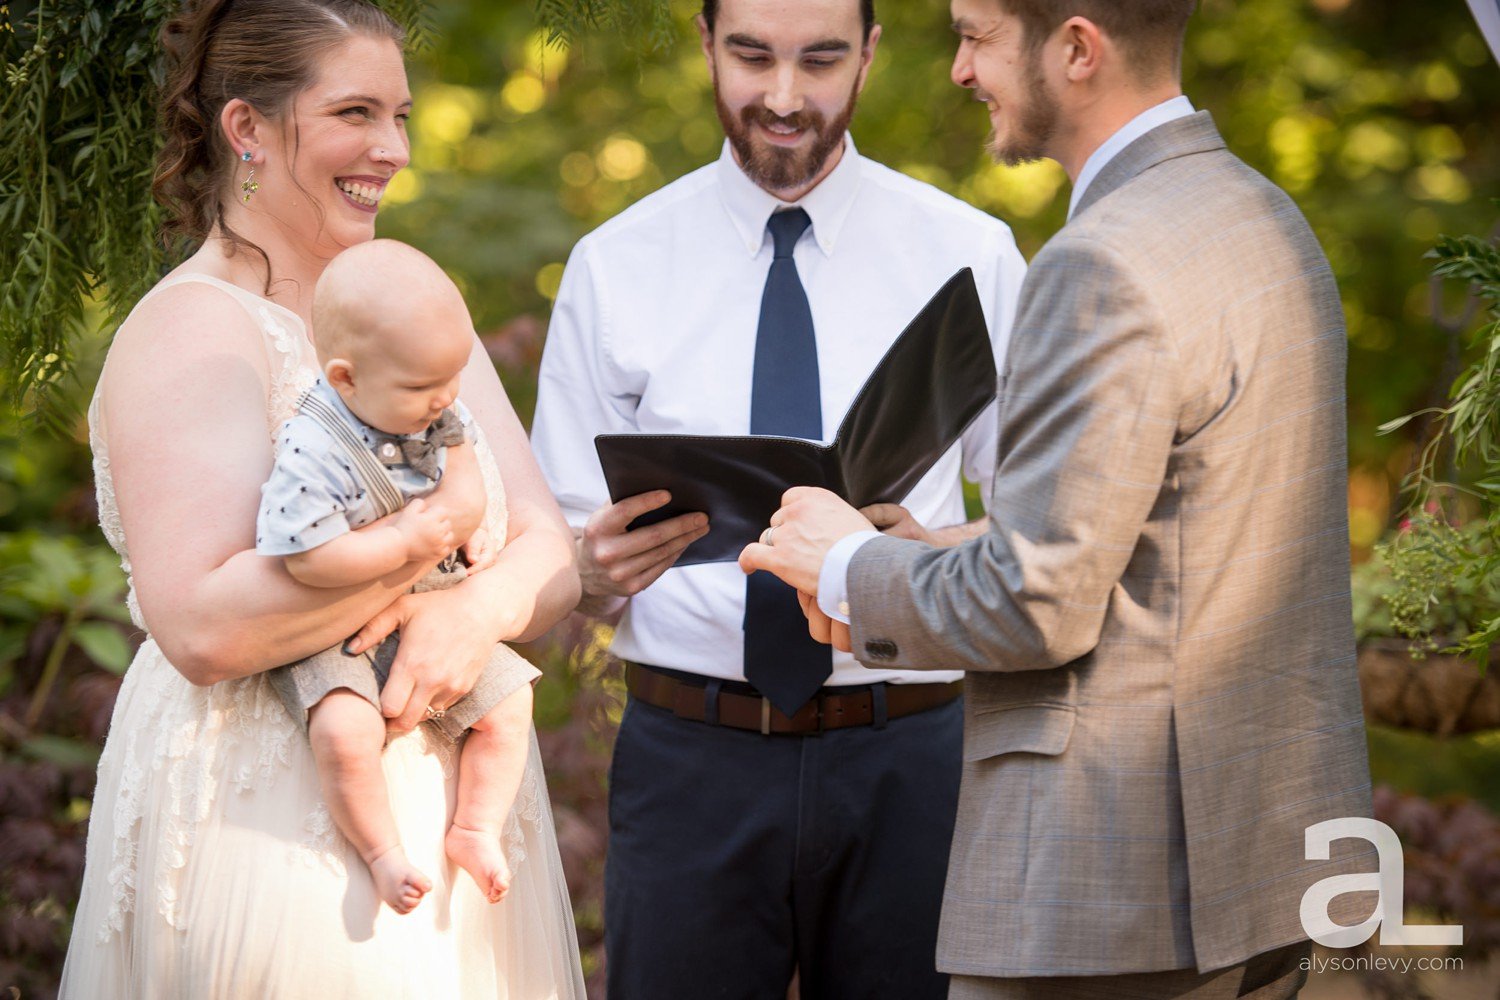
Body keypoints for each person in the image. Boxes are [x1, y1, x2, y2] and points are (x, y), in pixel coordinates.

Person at [741, 1, 1374, 998]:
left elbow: (1039, 600)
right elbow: (1174, 519)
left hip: (1112, 889)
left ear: (1076, 48)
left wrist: (845, 565)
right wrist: (938, 550)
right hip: (1264, 862)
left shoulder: (1100, 262)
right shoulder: (1261, 215)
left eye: (977, 35)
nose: (958, 70)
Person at [60, 2, 585, 996]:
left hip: (454, 819)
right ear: (247, 128)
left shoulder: (412, 311)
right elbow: (204, 627)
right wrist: (429, 536)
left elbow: (549, 545)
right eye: (355, 113)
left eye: (400, 115)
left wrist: (476, 613)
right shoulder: (193, 333)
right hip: (268, 817)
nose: (390, 149)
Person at [529, 0, 1026, 995]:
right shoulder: (616, 264)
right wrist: (586, 569)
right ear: (707, 45)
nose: (785, 97)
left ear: (871, 56)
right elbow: (552, 542)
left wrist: (929, 553)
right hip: (688, 763)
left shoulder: (972, 255)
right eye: (752, 56)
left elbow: (1046, 526)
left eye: (822, 60)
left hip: (914, 757)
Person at [256, 239, 544, 914]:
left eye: (452, 380)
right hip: (341, 628)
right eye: (422, 388)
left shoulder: (434, 400)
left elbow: (464, 469)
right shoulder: (314, 446)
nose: (444, 400)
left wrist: (464, 514)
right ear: (347, 378)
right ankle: (383, 853)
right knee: (345, 733)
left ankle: (475, 827)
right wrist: (399, 542)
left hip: (437, 605)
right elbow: (304, 558)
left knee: (511, 707)